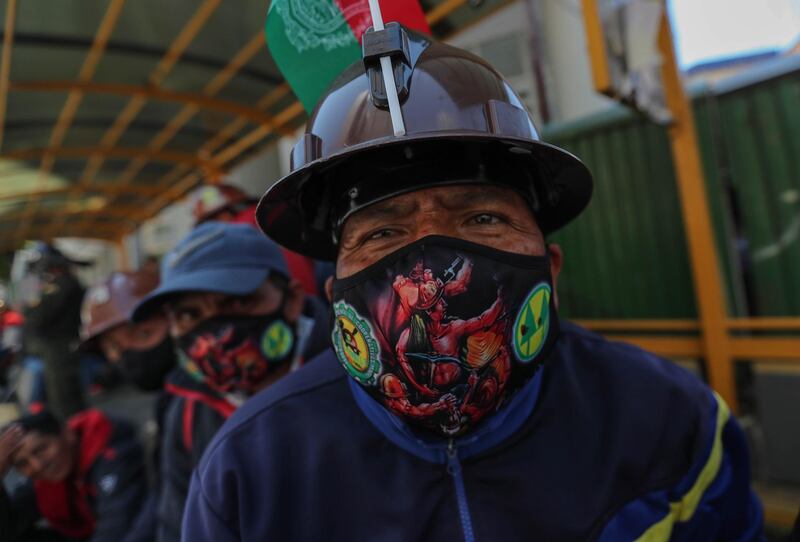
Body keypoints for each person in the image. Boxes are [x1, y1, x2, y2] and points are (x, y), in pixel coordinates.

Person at [182, 27, 763, 541]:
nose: (428, 255)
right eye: (383, 232)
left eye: (483, 218)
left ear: (551, 270)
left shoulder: (670, 423)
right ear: (336, 299)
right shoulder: (250, 471)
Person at [130, 221, 330, 542]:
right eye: (189, 315)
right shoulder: (186, 411)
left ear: (292, 300)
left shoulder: (364, 380)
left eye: (237, 302)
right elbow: (176, 524)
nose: (214, 337)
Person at [79, 269, 177, 542]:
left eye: (143, 334)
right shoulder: (167, 402)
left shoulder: (199, 400)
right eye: (113, 347)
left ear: (175, 320)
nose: (128, 355)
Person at [0, 409, 147, 542]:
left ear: (67, 434)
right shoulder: (41, 481)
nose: (37, 465)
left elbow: (118, 521)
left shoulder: (111, 451)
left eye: (41, 449)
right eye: (23, 464)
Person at [192, 182, 333, 297]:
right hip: (317, 292)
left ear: (223, 215)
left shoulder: (230, 236)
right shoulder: (270, 213)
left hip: (284, 306)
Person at [21, 243, 88, 420]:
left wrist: (29, 284)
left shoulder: (63, 284)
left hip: (60, 346)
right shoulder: (57, 284)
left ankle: (74, 432)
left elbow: (35, 316)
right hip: (55, 346)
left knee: (64, 398)